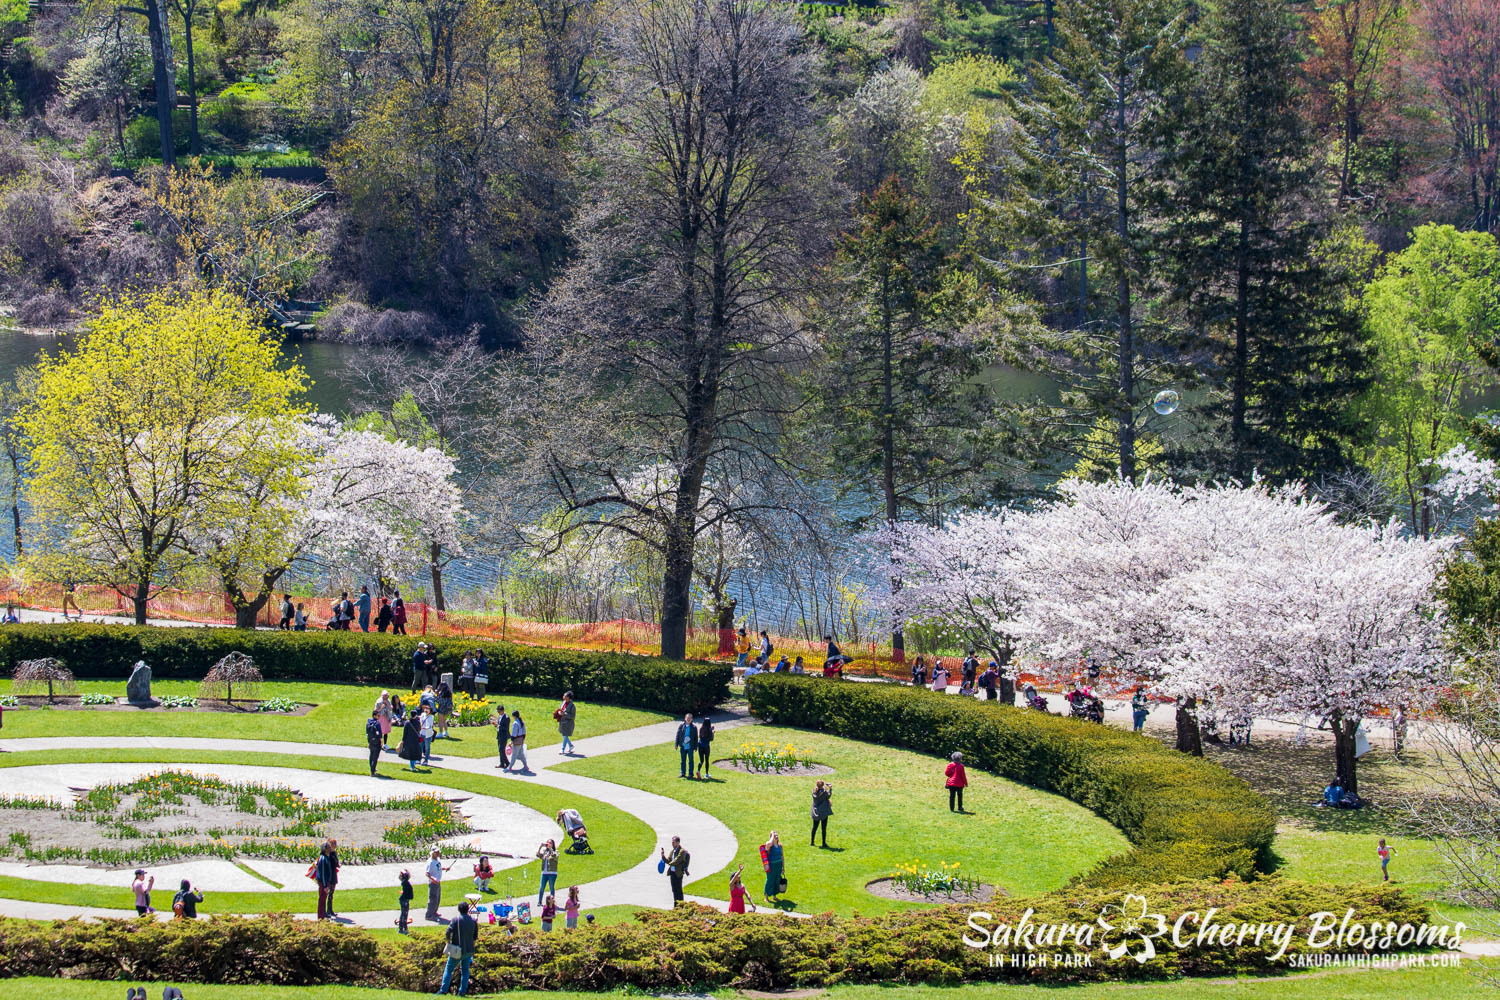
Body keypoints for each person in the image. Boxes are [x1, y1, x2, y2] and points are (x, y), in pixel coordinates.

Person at [437, 900, 479, 995]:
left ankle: (443, 990)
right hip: (469, 950)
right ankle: (462, 991)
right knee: (465, 971)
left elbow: (448, 932)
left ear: (459, 910)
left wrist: (449, 942)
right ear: (468, 909)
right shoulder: (473, 921)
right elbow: (475, 937)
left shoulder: (456, 920)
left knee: (449, 969)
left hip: (457, 949)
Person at [425, 846, 453, 921]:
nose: (438, 853)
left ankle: (434, 912)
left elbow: (438, 868)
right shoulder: (430, 862)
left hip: (438, 882)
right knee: (433, 899)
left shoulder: (437, 860)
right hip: (433, 883)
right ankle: (429, 915)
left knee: (437, 898)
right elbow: (427, 873)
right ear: (432, 853)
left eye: (438, 852)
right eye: (436, 852)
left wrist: (445, 868)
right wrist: (432, 878)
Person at [661, 837, 690, 904]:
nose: (672, 843)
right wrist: (663, 856)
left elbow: (677, 861)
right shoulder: (672, 851)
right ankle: (676, 906)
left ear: (678, 842)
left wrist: (669, 864)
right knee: (674, 890)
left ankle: (681, 905)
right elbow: (668, 860)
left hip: (678, 873)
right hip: (672, 873)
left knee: (679, 890)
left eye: (673, 842)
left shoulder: (682, 851)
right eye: (672, 842)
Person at [316, 840, 338, 919]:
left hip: (325, 883)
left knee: (323, 900)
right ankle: (321, 917)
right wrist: (325, 885)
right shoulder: (323, 859)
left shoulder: (326, 857)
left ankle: (322, 916)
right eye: (328, 847)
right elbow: (323, 874)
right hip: (323, 883)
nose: (330, 849)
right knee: (322, 900)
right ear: (325, 849)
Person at [762, 831, 784, 904]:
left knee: (777, 880)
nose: (776, 837)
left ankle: (774, 896)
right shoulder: (769, 846)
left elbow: (782, 856)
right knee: (770, 880)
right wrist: (772, 836)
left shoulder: (780, 845)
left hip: (779, 864)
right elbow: (768, 844)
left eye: (777, 835)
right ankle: (766, 896)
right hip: (771, 865)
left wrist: (783, 867)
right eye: (775, 836)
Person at [676, 713, 699, 778]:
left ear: (692, 719)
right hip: (683, 746)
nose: (688, 719)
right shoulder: (681, 726)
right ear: (685, 718)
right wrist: (676, 744)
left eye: (690, 718)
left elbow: (696, 738)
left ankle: (690, 774)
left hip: (690, 747)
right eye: (687, 718)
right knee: (683, 761)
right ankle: (683, 773)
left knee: (691, 761)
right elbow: (677, 735)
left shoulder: (694, 727)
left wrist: (695, 747)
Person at [810, 779, 832, 848]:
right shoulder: (824, 792)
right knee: (823, 828)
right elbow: (828, 796)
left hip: (815, 812)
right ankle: (823, 843)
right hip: (823, 812)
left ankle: (812, 842)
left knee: (814, 827)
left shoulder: (813, 791)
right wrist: (830, 788)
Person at [536, 839, 559, 903]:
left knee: (551, 887)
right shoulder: (545, 851)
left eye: (550, 843)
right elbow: (538, 855)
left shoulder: (556, 851)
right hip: (544, 872)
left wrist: (551, 849)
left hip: (552, 873)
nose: (548, 844)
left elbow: (555, 856)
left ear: (552, 844)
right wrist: (540, 847)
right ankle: (539, 901)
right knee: (541, 887)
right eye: (547, 842)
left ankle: (552, 902)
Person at [366, 709, 383, 777]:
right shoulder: (377, 723)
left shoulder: (368, 723)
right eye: (378, 715)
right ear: (374, 716)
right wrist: (381, 742)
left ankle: (372, 768)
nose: (379, 717)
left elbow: (367, 734)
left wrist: (368, 742)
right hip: (377, 742)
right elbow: (380, 735)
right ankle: (372, 772)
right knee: (375, 757)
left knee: (371, 755)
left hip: (371, 741)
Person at [396, 869, 413, 934]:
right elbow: (406, 875)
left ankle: (400, 929)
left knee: (403, 915)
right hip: (404, 900)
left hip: (404, 899)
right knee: (404, 915)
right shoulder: (405, 882)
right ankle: (405, 929)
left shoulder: (404, 883)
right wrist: (405, 872)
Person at [495, 704, 511, 769]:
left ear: (502, 711)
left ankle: (507, 763)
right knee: (500, 750)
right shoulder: (499, 717)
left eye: (499, 711)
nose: (498, 713)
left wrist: (498, 726)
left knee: (501, 749)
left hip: (504, 736)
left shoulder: (507, 718)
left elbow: (506, 728)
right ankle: (502, 763)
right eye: (497, 711)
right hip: (499, 735)